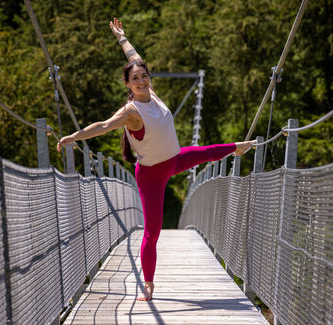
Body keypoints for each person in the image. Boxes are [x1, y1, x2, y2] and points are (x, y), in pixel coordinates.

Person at [57, 18, 254, 301]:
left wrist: (121, 37)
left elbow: (134, 57)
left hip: (173, 160)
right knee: (153, 232)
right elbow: (102, 125)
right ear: (128, 84)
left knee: (206, 151)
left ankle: (235, 148)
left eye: (144, 76)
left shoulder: (154, 95)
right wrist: (74, 137)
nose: (141, 80)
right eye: (134, 79)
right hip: (151, 175)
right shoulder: (131, 111)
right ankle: (148, 284)